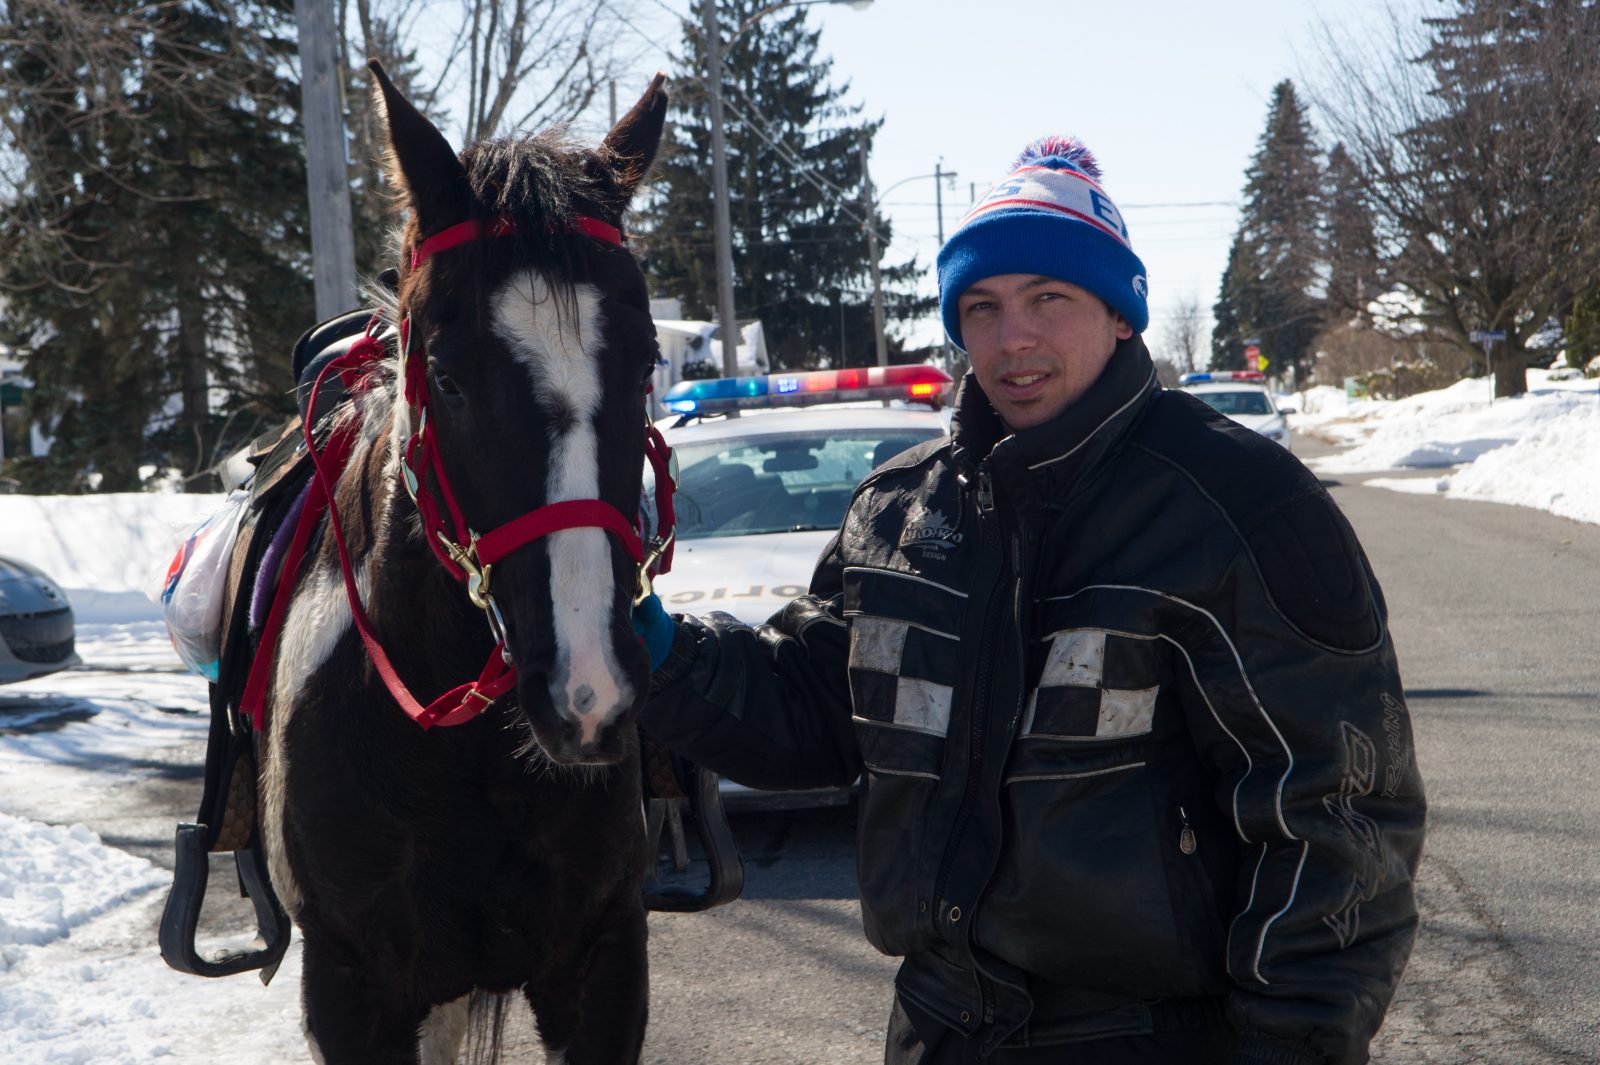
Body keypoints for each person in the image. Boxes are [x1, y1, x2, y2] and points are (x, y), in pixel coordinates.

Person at [634, 136, 1425, 1065]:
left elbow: (1337, 819)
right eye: (983, 306)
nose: (1014, 338)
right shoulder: (899, 509)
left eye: (1050, 297)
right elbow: (814, 709)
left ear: (1121, 313)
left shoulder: (1243, 505)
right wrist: (656, 649)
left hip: (1154, 1037)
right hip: (937, 1023)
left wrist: (1295, 1047)